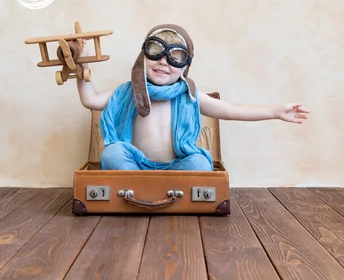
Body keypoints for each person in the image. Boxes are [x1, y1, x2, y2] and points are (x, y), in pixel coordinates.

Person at [76, 24, 309, 171]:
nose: (163, 63)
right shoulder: (127, 92)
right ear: (144, 56)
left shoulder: (189, 94)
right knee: (112, 153)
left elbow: (231, 109)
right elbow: (91, 99)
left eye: (174, 57)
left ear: (185, 66)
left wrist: (275, 112)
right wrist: (82, 64)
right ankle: (139, 187)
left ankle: (165, 190)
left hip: (177, 168)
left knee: (199, 162)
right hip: (135, 166)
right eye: (156, 54)